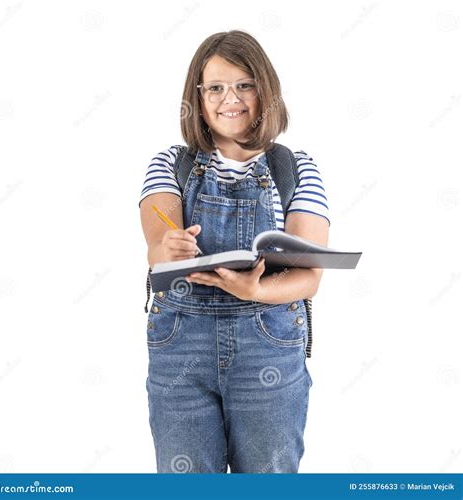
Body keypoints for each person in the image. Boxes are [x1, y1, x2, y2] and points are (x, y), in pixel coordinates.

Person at [139, 30, 330, 473]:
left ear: (265, 92)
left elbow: (309, 278)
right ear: (198, 97)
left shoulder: (296, 168)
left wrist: (256, 290)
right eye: (216, 87)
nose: (232, 99)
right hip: (179, 344)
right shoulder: (170, 163)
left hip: (268, 343)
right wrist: (166, 247)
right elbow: (155, 241)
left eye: (245, 85)